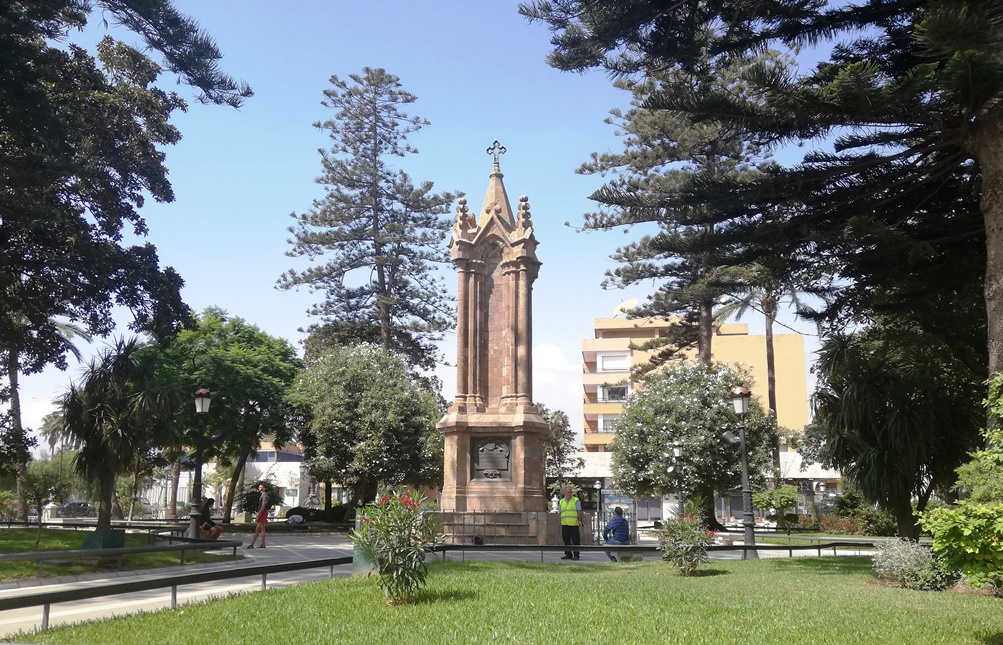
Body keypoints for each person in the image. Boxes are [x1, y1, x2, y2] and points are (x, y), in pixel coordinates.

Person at [559, 485, 583, 560]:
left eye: (570, 492)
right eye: (568, 492)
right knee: (566, 540)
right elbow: (560, 512)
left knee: (576, 540)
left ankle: (576, 555)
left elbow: (579, 511)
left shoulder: (576, 500)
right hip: (565, 524)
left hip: (574, 524)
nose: (569, 494)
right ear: (564, 493)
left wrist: (580, 521)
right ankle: (568, 554)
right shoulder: (561, 501)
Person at [247, 484, 269, 549]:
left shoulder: (264, 495)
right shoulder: (263, 495)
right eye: (259, 487)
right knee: (261, 529)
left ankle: (252, 544)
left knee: (258, 529)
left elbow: (263, 505)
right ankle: (263, 544)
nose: (259, 488)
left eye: (261, 487)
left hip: (263, 513)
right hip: (263, 513)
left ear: (264, 488)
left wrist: (258, 515)